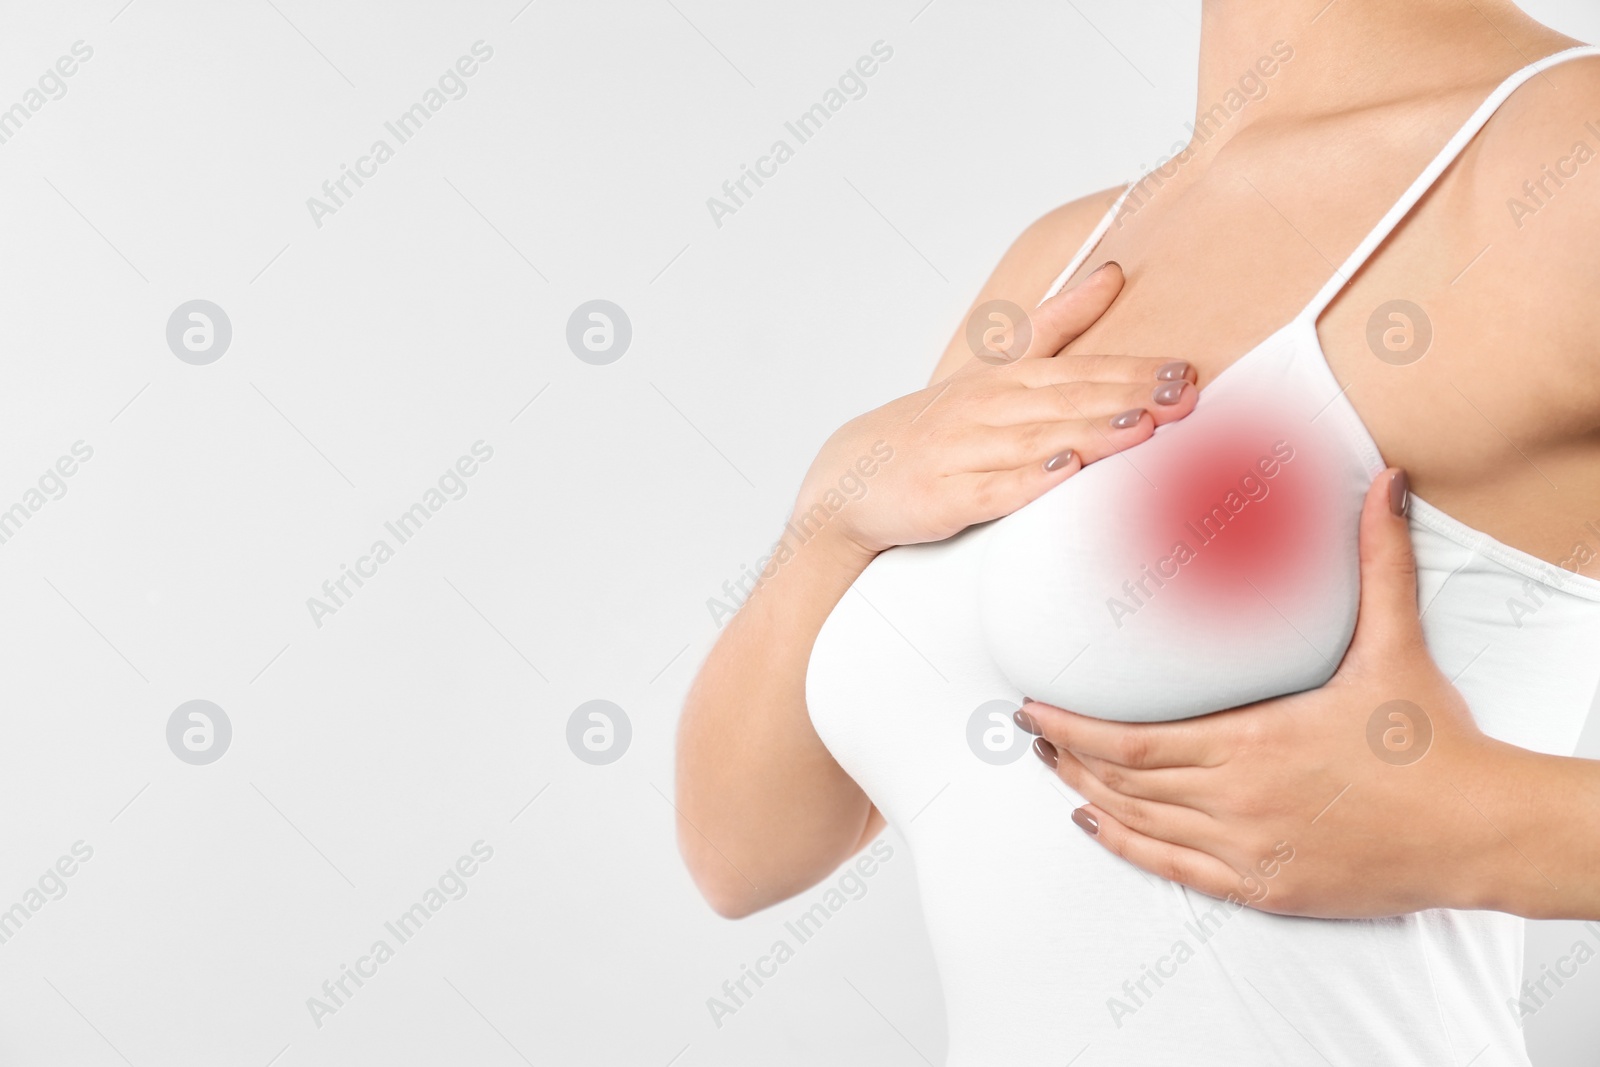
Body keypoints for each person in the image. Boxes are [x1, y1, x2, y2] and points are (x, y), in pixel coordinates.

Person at [677, 1, 1600, 1061]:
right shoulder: (1065, 256)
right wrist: (830, 515)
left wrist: (1485, 826)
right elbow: (743, 856)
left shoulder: (1562, 161)